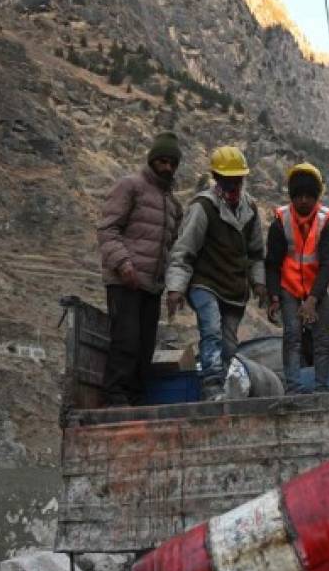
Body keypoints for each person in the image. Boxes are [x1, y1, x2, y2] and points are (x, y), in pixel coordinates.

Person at [164, 146, 266, 401]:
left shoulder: (250, 209)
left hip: (234, 288)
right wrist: (176, 288)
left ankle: (221, 385)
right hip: (205, 283)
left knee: (229, 344)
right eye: (227, 180)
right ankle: (211, 384)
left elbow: (255, 254)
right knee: (211, 330)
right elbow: (184, 250)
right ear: (216, 178)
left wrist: (259, 284)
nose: (232, 186)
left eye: (237, 180)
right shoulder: (203, 207)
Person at [96, 132, 183, 406]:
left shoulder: (173, 204)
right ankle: (115, 395)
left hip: (151, 286)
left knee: (145, 347)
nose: (167, 167)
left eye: (172, 163)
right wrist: (123, 264)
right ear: (152, 160)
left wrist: (171, 287)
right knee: (126, 341)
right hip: (125, 281)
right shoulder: (130, 186)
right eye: (162, 161)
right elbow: (107, 229)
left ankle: (134, 398)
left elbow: (171, 248)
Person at [265, 163, 329, 393]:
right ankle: (293, 388)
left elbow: (328, 265)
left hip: (317, 289)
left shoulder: (327, 222)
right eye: (299, 196)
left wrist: (313, 300)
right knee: (292, 335)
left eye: (309, 196)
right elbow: (272, 263)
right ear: (292, 196)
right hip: (289, 288)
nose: (304, 201)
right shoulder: (281, 221)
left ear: (316, 197)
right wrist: (274, 296)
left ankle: (322, 388)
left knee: (322, 339)